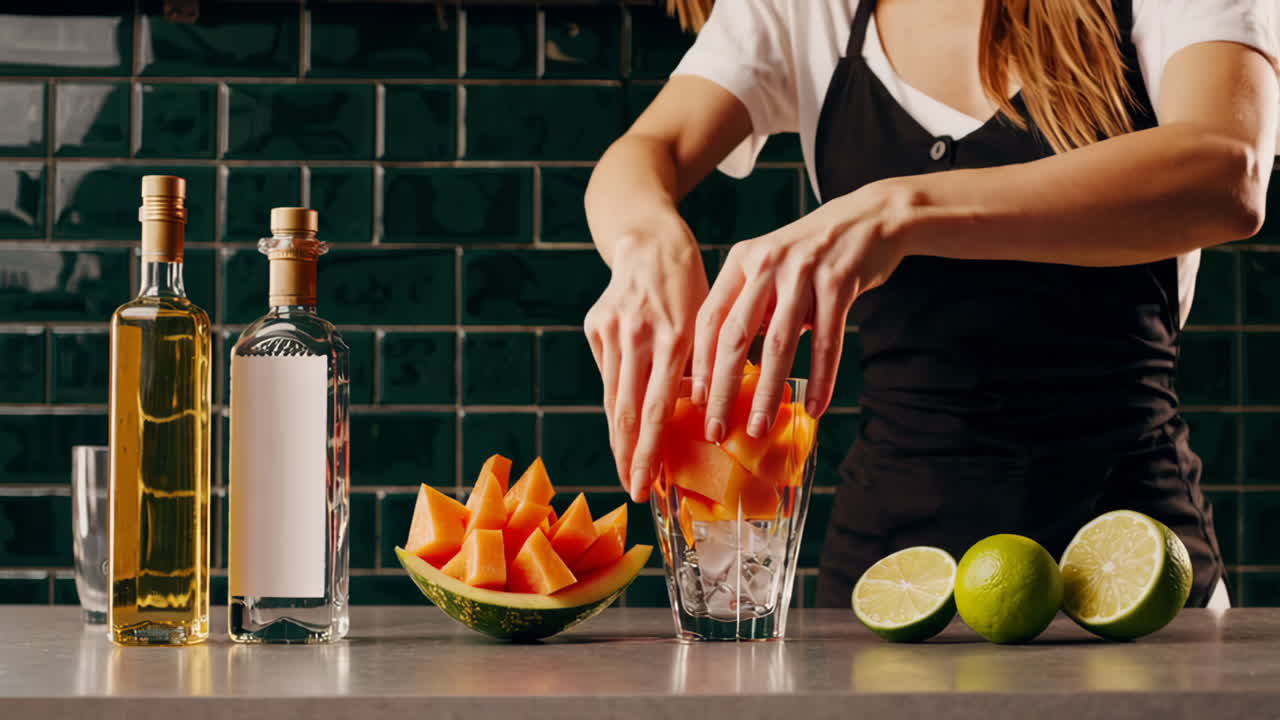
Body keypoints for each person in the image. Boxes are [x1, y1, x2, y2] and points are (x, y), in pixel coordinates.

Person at [583, 0, 1278, 609]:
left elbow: (1228, 169)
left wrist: (899, 208)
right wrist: (648, 242)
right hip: (884, 586)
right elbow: (649, 148)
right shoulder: (804, 7)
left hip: (1132, 573)